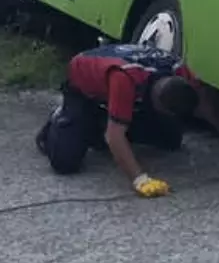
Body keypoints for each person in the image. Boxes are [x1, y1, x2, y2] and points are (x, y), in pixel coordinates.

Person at [35, 43, 200, 198]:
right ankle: (61, 119)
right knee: (65, 161)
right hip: (85, 90)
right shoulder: (124, 79)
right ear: (156, 102)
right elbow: (115, 136)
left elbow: (206, 106)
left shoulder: (180, 71)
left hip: (131, 88)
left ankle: (107, 121)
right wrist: (140, 180)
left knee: (171, 139)